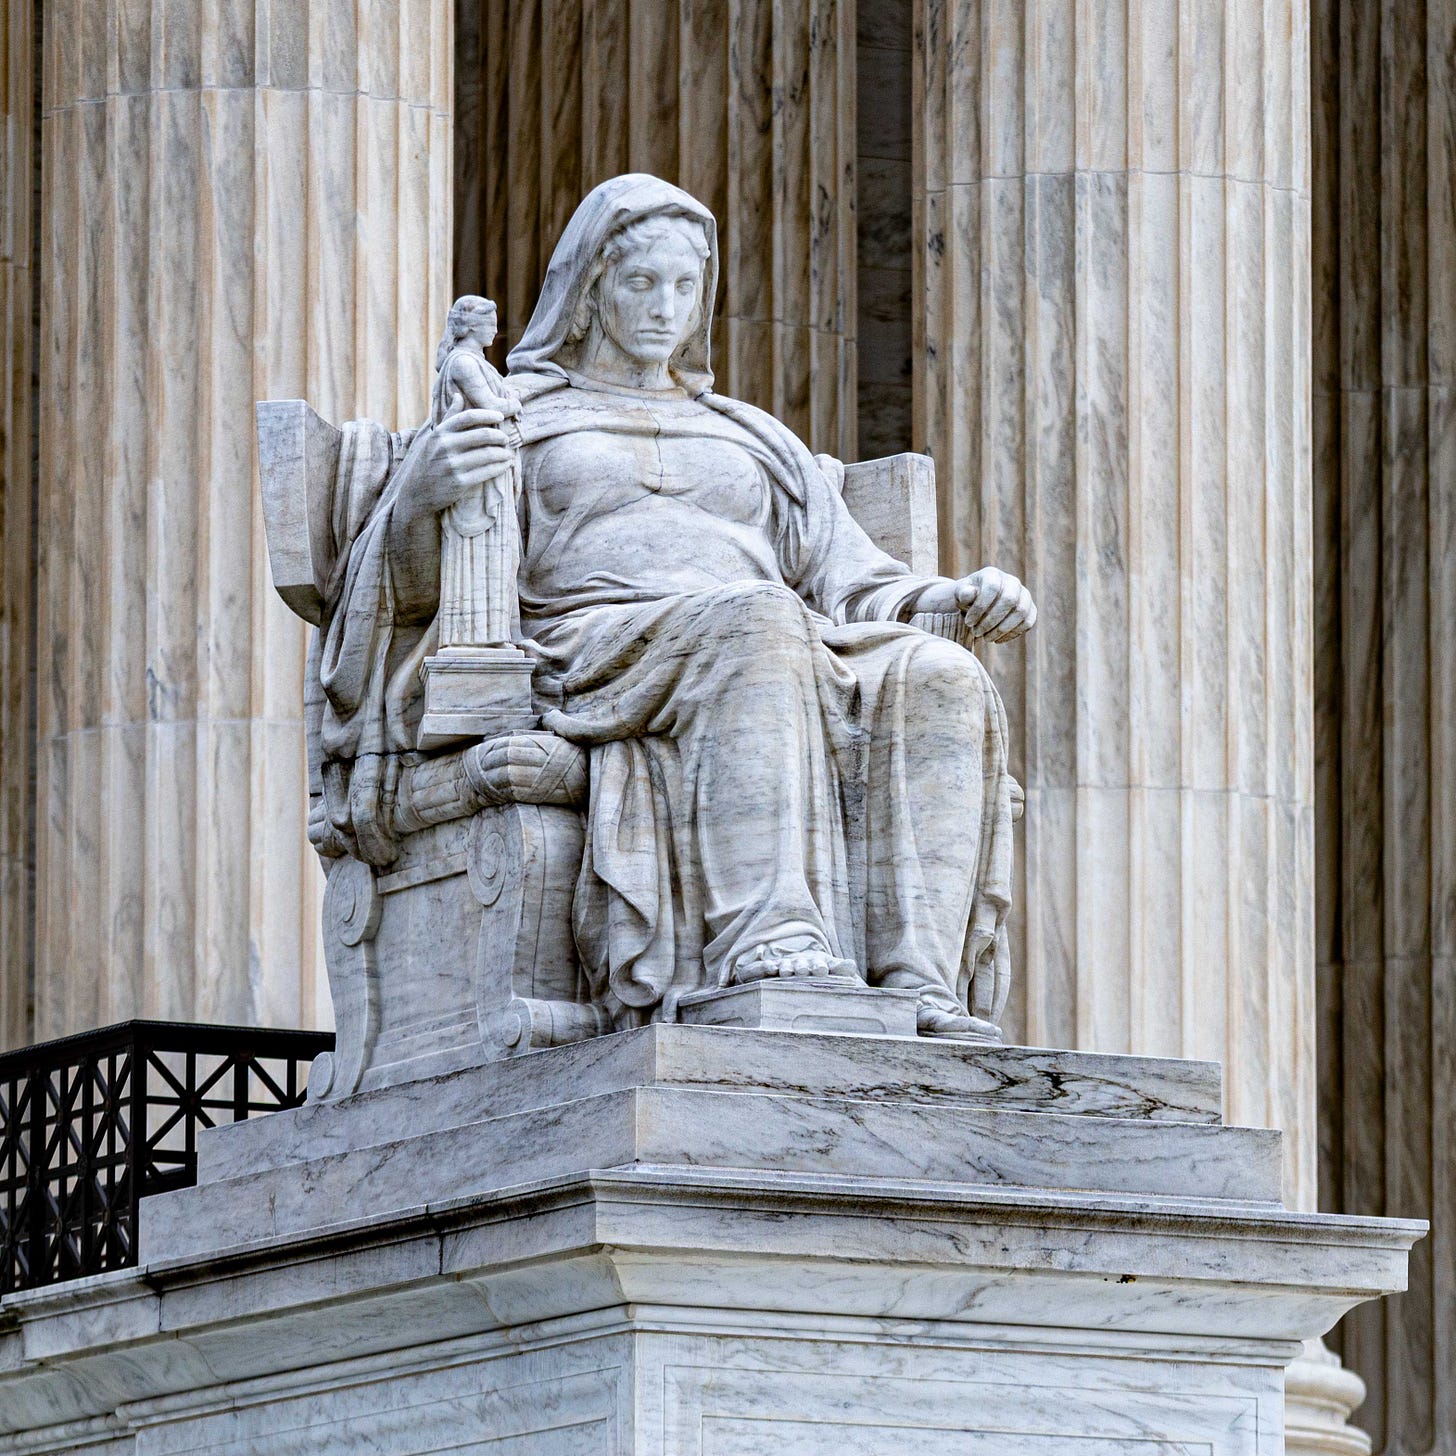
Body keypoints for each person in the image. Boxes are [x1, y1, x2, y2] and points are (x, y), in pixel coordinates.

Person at [317, 175, 1036, 1038]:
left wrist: (954, 599)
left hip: (771, 641)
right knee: (757, 621)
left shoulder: (753, 435)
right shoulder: (516, 415)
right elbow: (402, 589)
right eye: (641, 282)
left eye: (685, 286)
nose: (666, 308)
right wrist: (424, 495)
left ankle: (918, 983)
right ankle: (766, 937)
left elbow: (854, 580)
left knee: (942, 674)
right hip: (588, 648)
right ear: (591, 291)